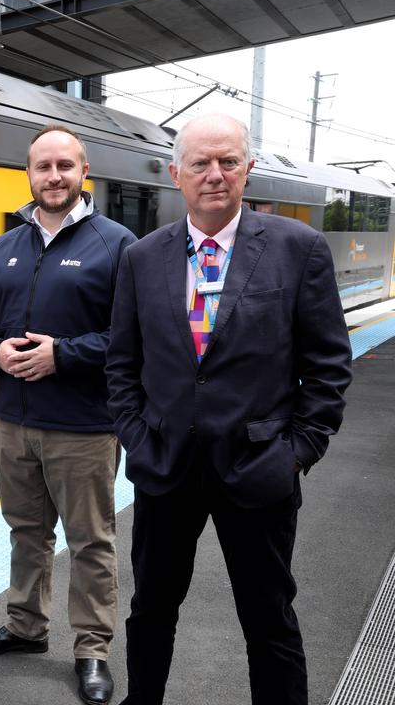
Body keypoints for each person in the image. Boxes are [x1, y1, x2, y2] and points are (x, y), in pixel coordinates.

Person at [106, 113, 352, 705]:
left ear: (248, 169)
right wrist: (138, 440)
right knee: (151, 612)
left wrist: (298, 452)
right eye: (200, 163)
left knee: (269, 620)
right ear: (176, 174)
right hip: (167, 468)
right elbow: (121, 365)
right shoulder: (142, 258)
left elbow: (327, 365)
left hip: (260, 467)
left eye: (228, 162)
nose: (214, 175)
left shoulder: (298, 249)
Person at [0, 124, 136, 705]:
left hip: (84, 425)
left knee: (90, 540)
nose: (53, 176)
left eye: (65, 165)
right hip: (14, 419)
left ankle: (91, 649)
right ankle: (25, 627)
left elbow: (134, 335)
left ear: (83, 171)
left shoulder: (116, 244)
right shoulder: (6, 246)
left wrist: (64, 354)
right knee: (26, 532)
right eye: (43, 167)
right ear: (29, 174)